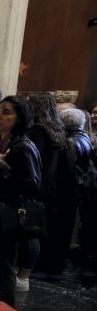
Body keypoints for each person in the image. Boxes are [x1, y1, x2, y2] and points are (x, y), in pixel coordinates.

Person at [0, 96, 41, 304]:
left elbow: (33, 186)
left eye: (6, 112)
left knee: (4, 267)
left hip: (10, 215)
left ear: (19, 117)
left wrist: (2, 167)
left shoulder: (23, 146)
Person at [46, 108, 95, 275]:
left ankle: (53, 267)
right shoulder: (85, 138)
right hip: (76, 193)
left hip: (66, 194)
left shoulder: (70, 143)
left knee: (60, 232)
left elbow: (68, 172)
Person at [27, 92, 67, 277]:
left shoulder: (38, 131)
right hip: (50, 187)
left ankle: (27, 270)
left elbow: (33, 163)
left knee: (30, 232)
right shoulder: (56, 128)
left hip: (37, 187)